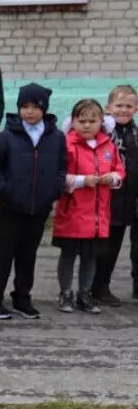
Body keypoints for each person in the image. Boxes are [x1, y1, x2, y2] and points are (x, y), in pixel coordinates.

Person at [0, 83, 67, 320]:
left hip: (39, 207)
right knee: (2, 254)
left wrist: (54, 190)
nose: (29, 112)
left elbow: (62, 167)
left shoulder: (56, 137)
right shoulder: (6, 136)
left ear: (44, 109)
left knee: (28, 255)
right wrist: (5, 191)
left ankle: (22, 298)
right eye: (24, 106)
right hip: (11, 206)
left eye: (35, 107)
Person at [54, 99, 126, 313]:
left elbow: (120, 170)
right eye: (81, 120)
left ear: (101, 122)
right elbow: (58, 176)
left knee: (90, 257)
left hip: (98, 215)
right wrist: (81, 181)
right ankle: (65, 293)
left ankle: (84, 294)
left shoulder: (108, 146)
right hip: (73, 213)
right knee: (68, 256)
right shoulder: (67, 145)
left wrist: (112, 177)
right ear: (73, 121)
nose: (86, 125)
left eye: (92, 120)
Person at [92, 85, 138, 304]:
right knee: (108, 247)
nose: (124, 110)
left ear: (136, 109)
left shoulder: (135, 134)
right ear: (108, 107)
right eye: (119, 105)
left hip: (133, 198)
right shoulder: (103, 134)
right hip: (110, 199)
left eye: (129, 106)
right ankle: (100, 287)